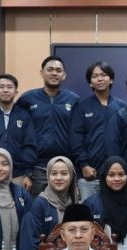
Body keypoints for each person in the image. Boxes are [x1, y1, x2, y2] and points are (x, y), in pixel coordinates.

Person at [16, 56, 80, 194]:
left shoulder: (74, 100)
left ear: (64, 75)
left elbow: (79, 134)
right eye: (50, 69)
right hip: (37, 167)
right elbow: (18, 134)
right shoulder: (27, 99)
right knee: (39, 205)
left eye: (58, 70)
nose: (54, 73)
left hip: (66, 165)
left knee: (66, 205)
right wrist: (26, 171)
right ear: (42, 73)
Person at [19, 156, 78, 250]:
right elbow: (29, 244)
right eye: (54, 173)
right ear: (47, 176)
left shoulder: (74, 203)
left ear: (71, 176)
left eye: (64, 173)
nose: (58, 178)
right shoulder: (39, 204)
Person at [71, 61, 124, 201]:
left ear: (111, 79)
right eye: (95, 76)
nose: (100, 79)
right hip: (89, 175)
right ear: (90, 83)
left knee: (114, 211)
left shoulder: (121, 107)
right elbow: (76, 138)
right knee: (90, 212)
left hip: (115, 176)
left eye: (103, 75)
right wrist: (84, 165)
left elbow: (125, 141)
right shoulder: (82, 107)